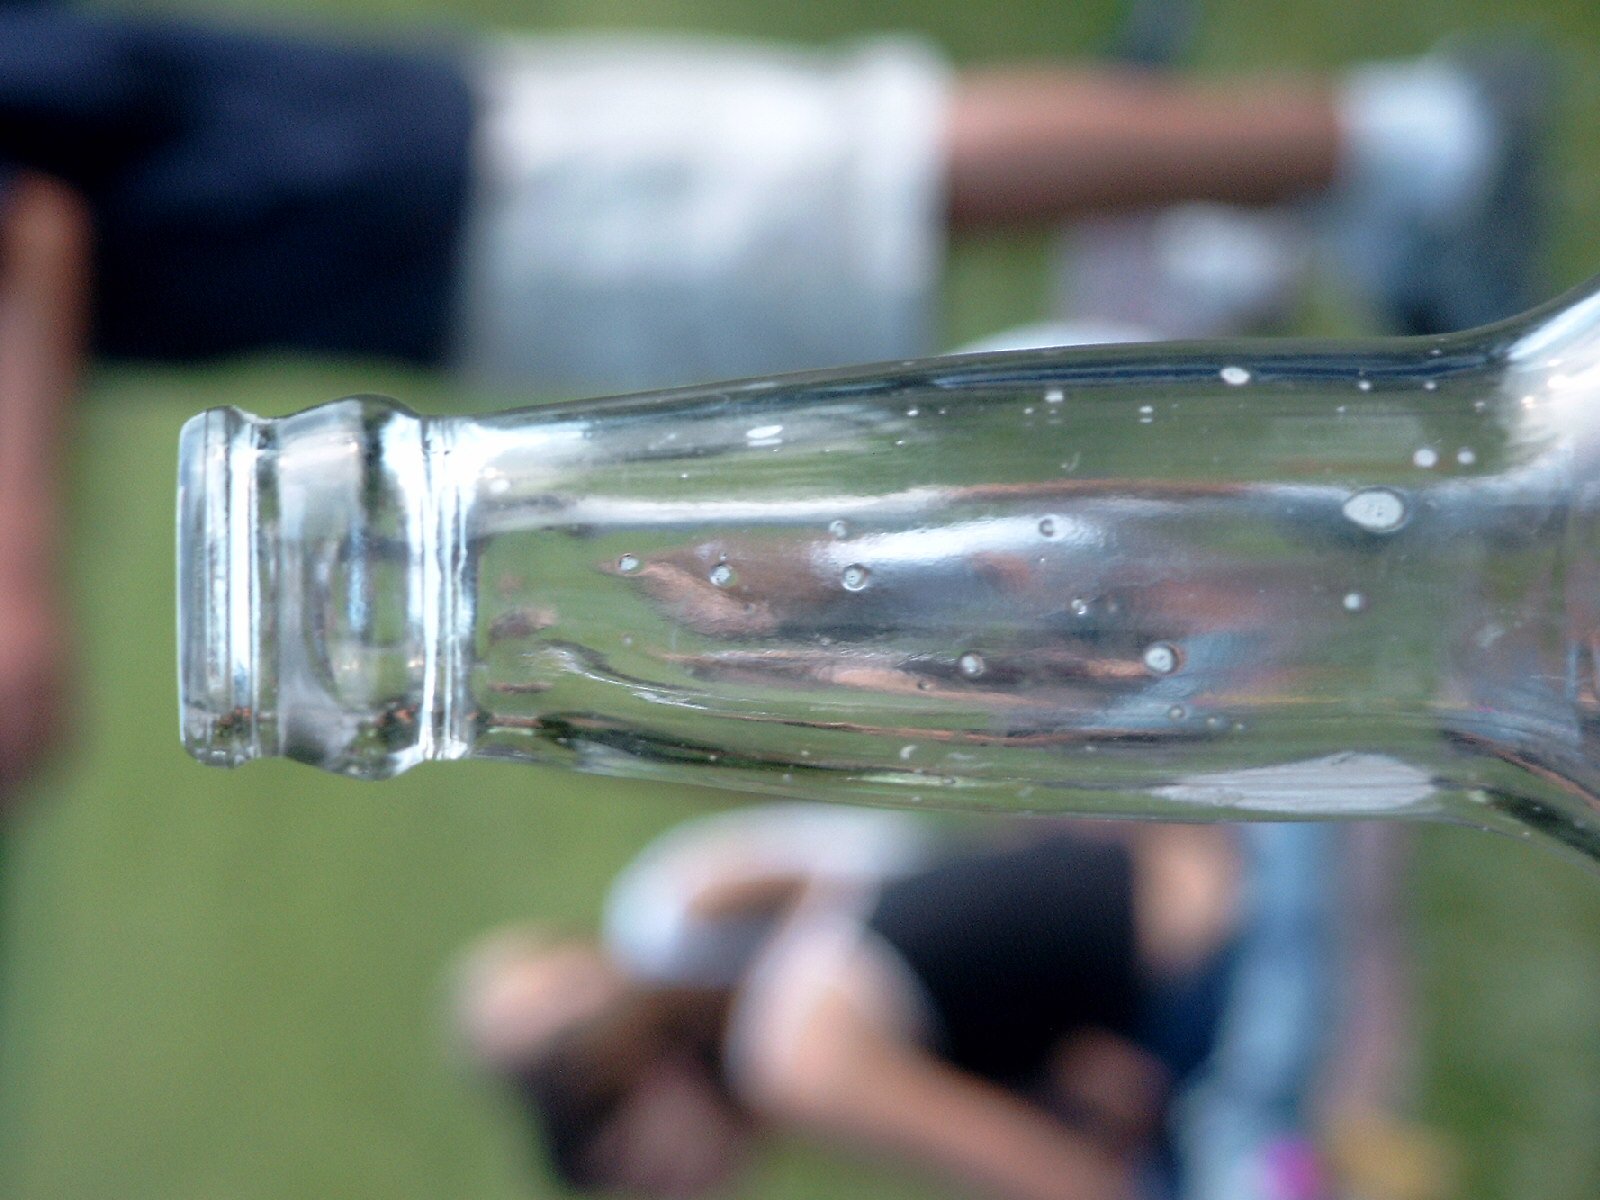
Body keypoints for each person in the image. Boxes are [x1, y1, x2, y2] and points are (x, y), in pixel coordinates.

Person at [0, 5, 1549, 794]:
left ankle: (1410, 140)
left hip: (406, 194)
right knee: (874, 221)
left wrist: (21, 584)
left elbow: (28, 217)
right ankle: (1327, 200)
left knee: (888, 180)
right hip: (406, 231)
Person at [454, 805, 1339, 1200]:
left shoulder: (791, 1054)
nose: (680, 1193)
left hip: (1249, 971)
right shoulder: (806, 988)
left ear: (648, 1082)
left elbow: (1069, 1182)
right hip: (1232, 893)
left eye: (648, 1173)